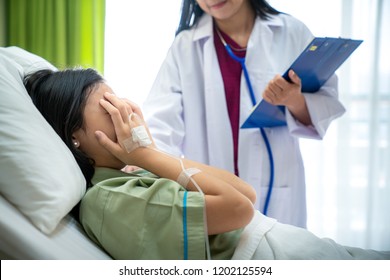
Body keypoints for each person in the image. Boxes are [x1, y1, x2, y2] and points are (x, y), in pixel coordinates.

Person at [23, 68, 389, 260]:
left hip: (290, 244)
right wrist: (148, 155)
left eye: (120, 98)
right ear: (75, 136)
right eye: (109, 106)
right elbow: (239, 208)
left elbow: (243, 191)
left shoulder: (132, 171)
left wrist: (150, 155)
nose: (129, 109)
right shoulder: (110, 199)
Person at [142, 0, 346, 228]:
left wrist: (294, 100)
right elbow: (159, 125)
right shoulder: (185, 47)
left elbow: (325, 105)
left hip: (279, 192)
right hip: (214, 200)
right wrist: (139, 161)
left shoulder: (291, 32)